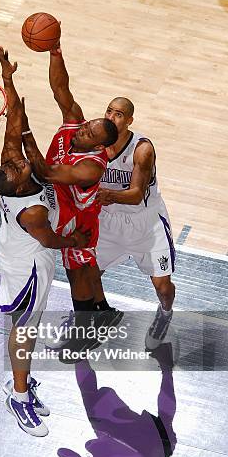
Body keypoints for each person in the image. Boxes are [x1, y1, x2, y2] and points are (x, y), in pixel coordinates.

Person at [0, 47, 90, 436]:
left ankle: (21, 382)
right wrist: (76, 238)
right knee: (25, 328)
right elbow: (51, 240)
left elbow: (14, 121)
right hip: (28, 264)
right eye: (16, 166)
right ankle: (18, 395)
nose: (17, 160)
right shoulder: (30, 211)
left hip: (25, 254)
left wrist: (8, 78)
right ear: (18, 184)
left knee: (27, 327)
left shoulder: (12, 169)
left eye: (13, 161)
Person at [22, 46, 122, 362]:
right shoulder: (73, 125)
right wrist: (55, 51)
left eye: (88, 132)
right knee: (86, 267)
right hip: (61, 208)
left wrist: (25, 131)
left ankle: (85, 335)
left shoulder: (91, 166)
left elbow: (47, 171)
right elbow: (60, 88)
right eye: (84, 125)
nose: (80, 130)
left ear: (100, 145)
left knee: (76, 273)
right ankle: (102, 311)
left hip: (77, 222)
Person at [94, 96, 176, 343]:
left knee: (162, 286)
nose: (111, 117)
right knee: (87, 275)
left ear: (129, 121)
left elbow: (137, 195)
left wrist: (106, 194)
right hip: (108, 221)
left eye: (118, 114)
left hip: (145, 222)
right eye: (109, 111)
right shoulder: (94, 142)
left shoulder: (142, 148)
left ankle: (165, 313)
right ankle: (98, 315)